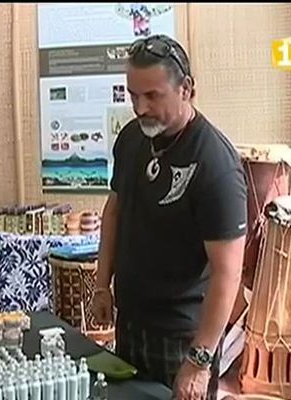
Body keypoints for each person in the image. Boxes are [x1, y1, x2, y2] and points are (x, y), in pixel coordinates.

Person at [92, 34, 247, 400]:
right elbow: (114, 211)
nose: (140, 107)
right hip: (131, 323)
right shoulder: (130, 139)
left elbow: (228, 272)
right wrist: (102, 283)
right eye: (132, 95)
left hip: (183, 338)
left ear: (186, 89)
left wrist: (199, 359)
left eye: (152, 96)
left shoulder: (216, 164)